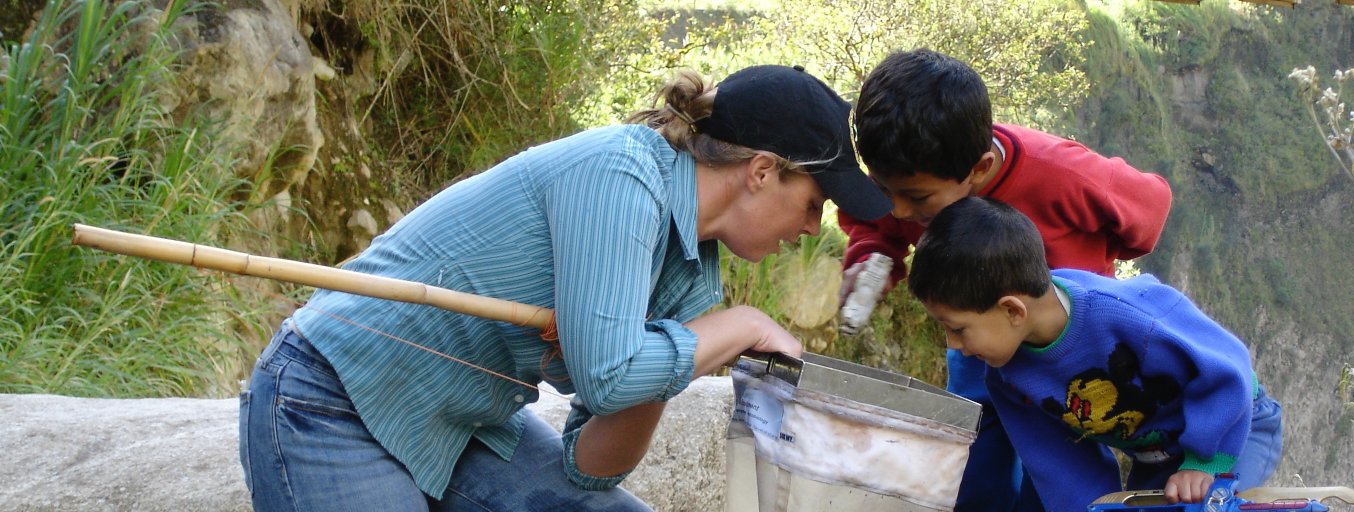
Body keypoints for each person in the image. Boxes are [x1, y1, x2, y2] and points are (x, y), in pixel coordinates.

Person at [238, 64, 892, 512]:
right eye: (814, 203)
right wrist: (739, 327)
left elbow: (591, 465)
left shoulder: (690, 269)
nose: (813, 229)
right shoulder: (622, 174)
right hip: (334, 397)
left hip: (459, 424)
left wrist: (676, 354)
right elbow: (609, 378)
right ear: (762, 171)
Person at [838, 48, 1174, 510]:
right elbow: (880, 225)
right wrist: (872, 255)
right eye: (882, 190)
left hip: (1063, 353)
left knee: (1061, 468)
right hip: (979, 338)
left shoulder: (1058, 172)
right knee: (973, 447)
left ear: (978, 170)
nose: (898, 209)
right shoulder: (912, 182)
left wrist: (1090, 273)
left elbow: (1149, 208)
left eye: (916, 198)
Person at [907, 196, 1284, 511]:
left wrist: (1205, 461)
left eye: (958, 328)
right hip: (1155, 454)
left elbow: (1227, 367)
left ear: (1012, 310)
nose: (953, 344)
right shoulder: (1007, 377)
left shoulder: (1129, 314)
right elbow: (1059, 464)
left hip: (1233, 426)